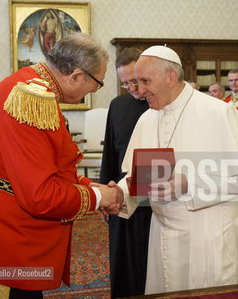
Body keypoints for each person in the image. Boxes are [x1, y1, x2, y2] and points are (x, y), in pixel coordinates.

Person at [0, 33, 123, 299]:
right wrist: (100, 196)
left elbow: (51, 167)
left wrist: (89, 185)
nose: (95, 90)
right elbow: (39, 195)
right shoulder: (32, 97)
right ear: (75, 75)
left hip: (0, 227)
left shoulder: (33, 86)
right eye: (97, 83)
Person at [115, 46, 238, 294]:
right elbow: (140, 176)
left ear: (171, 77)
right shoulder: (147, 118)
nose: (139, 91)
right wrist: (118, 194)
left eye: (144, 81)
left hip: (210, 235)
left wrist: (189, 184)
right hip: (163, 231)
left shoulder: (219, 112)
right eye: (135, 82)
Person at [99, 47, 151, 298]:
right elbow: (109, 152)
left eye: (135, 80)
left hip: (155, 198)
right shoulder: (117, 105)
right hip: (122, 195)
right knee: (123, 262)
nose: (132, 87)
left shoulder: (161, 104)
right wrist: (104, 197)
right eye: (125, 83)